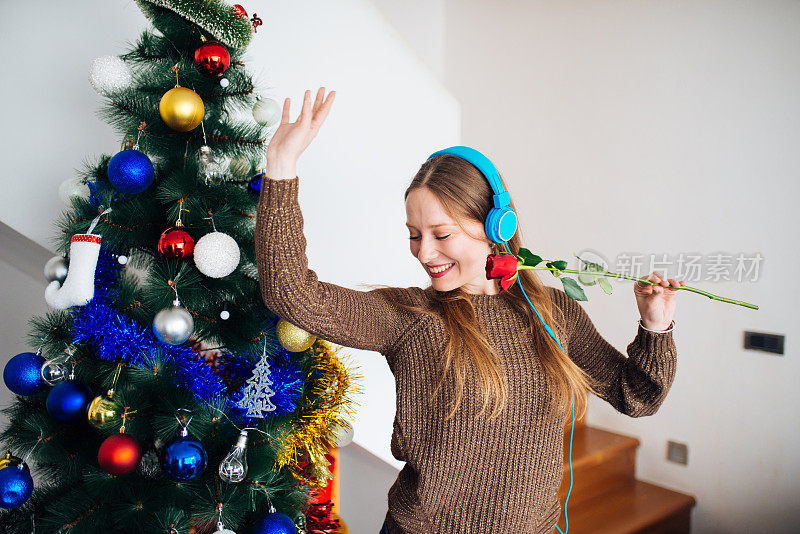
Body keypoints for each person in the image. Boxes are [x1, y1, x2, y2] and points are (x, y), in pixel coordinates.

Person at [255, 87, 683, 534]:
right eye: (414, 234)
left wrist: (656, 326)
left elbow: (637, 397)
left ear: (497, 225)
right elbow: (291, 294)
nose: (423, 252)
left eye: (441, 234)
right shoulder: (410, 318)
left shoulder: (555, 313)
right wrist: (282, 166)